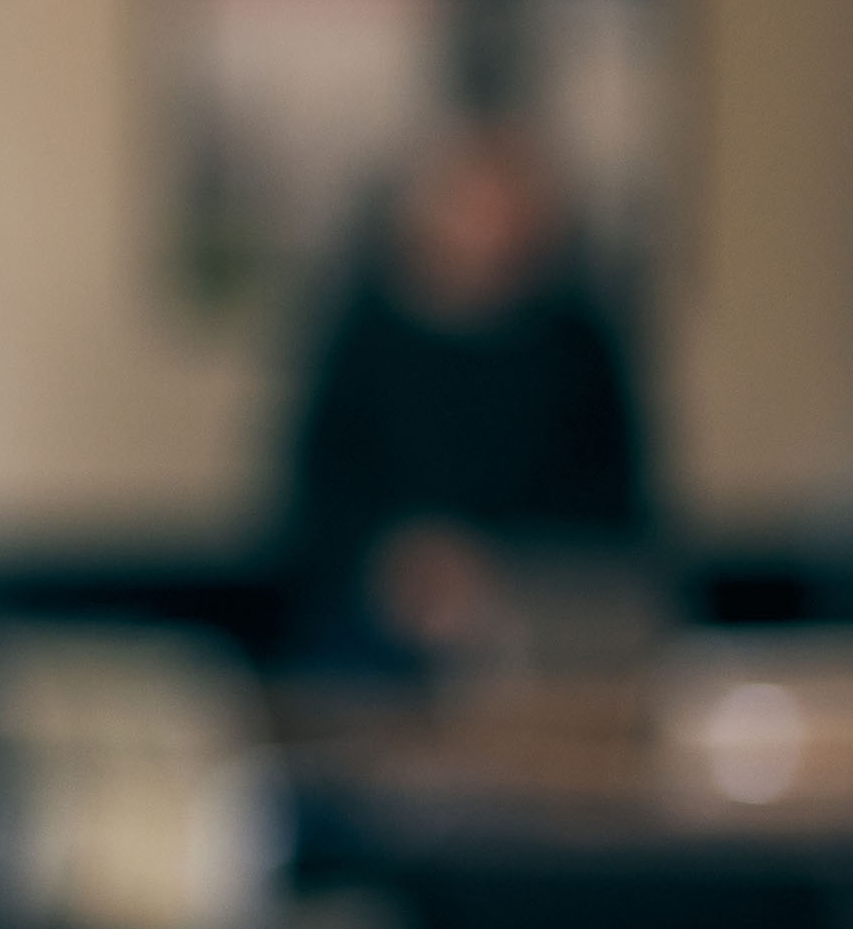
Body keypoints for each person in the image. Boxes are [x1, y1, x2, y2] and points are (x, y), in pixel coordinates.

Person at [275, 103, 651, 674]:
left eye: (507, 208)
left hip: (543, 623)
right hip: (375, 627)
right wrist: (402, 564)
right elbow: (318, 495)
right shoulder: (365, 336)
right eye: (473, 206)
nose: (490, 229)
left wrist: (496, 570)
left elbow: (611, 506)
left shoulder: (577, 344)